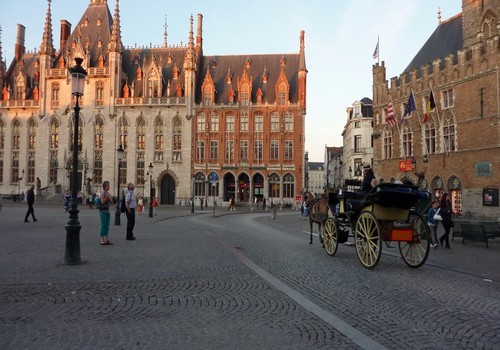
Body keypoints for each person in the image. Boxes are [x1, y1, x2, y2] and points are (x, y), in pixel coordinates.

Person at [98, 181, 113, 245]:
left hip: (107, 211)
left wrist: (110, 198)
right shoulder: (102, 193)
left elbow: (112, 203)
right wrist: (107, 197)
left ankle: (106, 238)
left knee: (107, 225)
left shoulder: (108, 193)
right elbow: (102, 201)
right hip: (102, 211)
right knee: (103, 225)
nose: (109, 187)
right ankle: (102, 238)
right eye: (108, 186)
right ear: (105, 186)